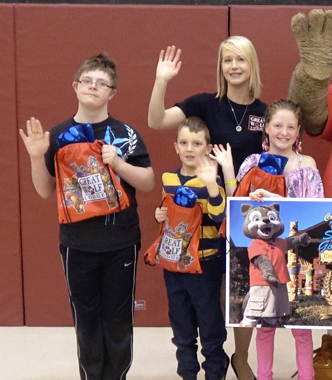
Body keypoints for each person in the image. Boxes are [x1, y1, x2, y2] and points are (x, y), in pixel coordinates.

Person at [19, 53, 154, 379]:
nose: (93, 86)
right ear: (76, 87)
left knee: (118, 320)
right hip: (77, 245)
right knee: (87, 320)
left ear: (112, 92)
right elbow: (44, 190)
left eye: (102, 83)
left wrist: (119, 163)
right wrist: (37, 158)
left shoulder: (126, 134)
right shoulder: (59, 134)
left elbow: (148, 182)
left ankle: (116, 376)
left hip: (121, 242)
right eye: (87, 81)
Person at [148, 36, 266, 380]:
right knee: (203, 301)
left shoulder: (263, 112)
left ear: (252, 64)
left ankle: (240, 359)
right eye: (227, 60)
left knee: (245, 292)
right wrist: (161, 80)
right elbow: (157, 120)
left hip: (248, 213)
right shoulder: (205, 103)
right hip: (210, 216)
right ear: (220, 67)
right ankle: (199, 364)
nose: (234, 66)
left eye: (240, 60)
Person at [222, 99, 323, 380]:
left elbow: (314, 208)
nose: (284, 132)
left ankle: (307, 376)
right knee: (265, 326)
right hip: (262, 260)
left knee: (302, 326)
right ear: (266, 128)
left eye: (291, 127)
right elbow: (237, 208)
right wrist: (247, 195)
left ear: (299, 131)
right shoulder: (252, 163)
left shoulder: (307, 164)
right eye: (278, 125)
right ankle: (264, 376)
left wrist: (281, 201)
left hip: (295, 257)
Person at [154, 117, 228, 380]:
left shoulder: (212, 181)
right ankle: (187, 373)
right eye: (183, 142)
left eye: (196, 143)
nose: (189, 148)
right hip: (174, 265)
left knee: (210, 327)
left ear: (207, 149)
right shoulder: (168, 178)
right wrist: (159, 214)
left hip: (205, 264)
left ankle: (215, 372)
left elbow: (220, 217)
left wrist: (210, 185)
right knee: (181, 327)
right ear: (175, 147)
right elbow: (168, 216)